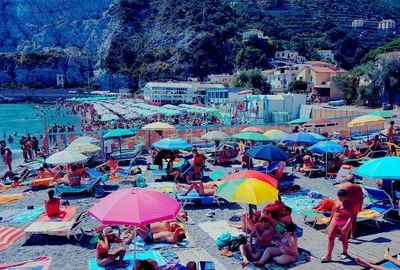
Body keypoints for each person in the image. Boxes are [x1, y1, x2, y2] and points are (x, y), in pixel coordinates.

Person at [321, 189, 353, 262]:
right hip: (335, 220)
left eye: (342, 198)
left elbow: (351, 217)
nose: (340, 199)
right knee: (330, 238)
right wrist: (330, 220)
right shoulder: (337, 200)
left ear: (346, 197)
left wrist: (346, 226)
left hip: (345, 222)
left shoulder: (349, 204)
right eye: (339, 197)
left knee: (343, 238)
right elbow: (333, 210)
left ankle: (345, 253)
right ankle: (328, 256)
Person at [341, 175, 364, 239]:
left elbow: (341, 197)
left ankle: (345, 234)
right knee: (353, 221)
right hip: (355, 205)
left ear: (347, 180)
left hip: (347, 206)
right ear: (353, 180)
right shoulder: (358, 187)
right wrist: (360, 207)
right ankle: (353, 235)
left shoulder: (344, 186)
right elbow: (361, 198)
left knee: (345, 220)